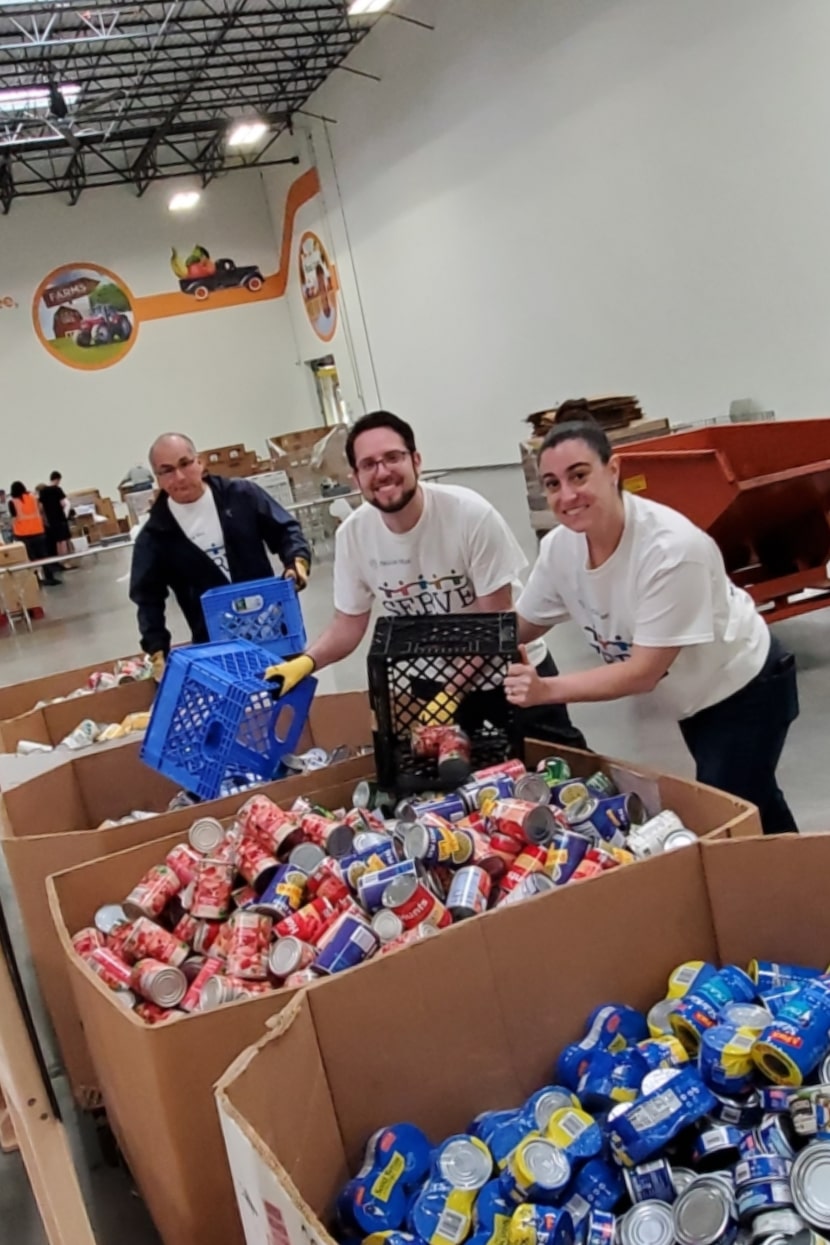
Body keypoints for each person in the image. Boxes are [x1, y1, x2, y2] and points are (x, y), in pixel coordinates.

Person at [504, 419, 798, 835]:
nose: (566, 495)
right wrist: (461, 646)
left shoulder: (670, 551)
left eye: (579, 476)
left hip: (745, 686)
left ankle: (783, 890)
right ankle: (807, 882)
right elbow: (524, 624)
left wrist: (544, 690)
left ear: (614, 469)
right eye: (552, 484)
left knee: (727, 815)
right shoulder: (560, 549)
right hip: (693, 697)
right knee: (756, 802)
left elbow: (643, 672)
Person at [267, 410, 586, 750]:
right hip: (430, 687)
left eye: (393, 457)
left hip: (511, 676)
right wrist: (306, 661)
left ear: (416, 461)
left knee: (563, 769)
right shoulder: (354, 536)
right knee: (451, 791)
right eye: (369, 464)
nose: (383, 472)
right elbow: (348, 623)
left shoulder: (469, 515)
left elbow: (495, 624)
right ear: (355, 478)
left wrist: (451, 692)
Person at [129, 433, 312, 669]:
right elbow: (147, 599)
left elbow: (286, 530)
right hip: (215, 650)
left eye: (185, 464)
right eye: (167, 471)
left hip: (273, 632)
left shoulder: (241, 496)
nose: (180, 476)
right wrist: (157, 649)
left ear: (200, 462)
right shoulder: (156, 534)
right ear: (158, 478)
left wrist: (296, 562)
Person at [8, 481, 61, 585]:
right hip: (38, 532)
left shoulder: (13, 502)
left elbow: (14, 518)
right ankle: (50, 577)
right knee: (44, 556)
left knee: (31, 559)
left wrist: (12, 530)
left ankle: (36, 580)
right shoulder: (32, 498)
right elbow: (40, 509)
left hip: (23, 535)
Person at [38, 471, 72, 563]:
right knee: (63, 540)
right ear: (58, 479)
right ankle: (65, 560)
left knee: (57, 540)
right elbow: (63, 503)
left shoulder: (43, 491)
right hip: (60, 517)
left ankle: (59, 560)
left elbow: (40, 507)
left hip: (50, 519)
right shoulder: (57, 489)